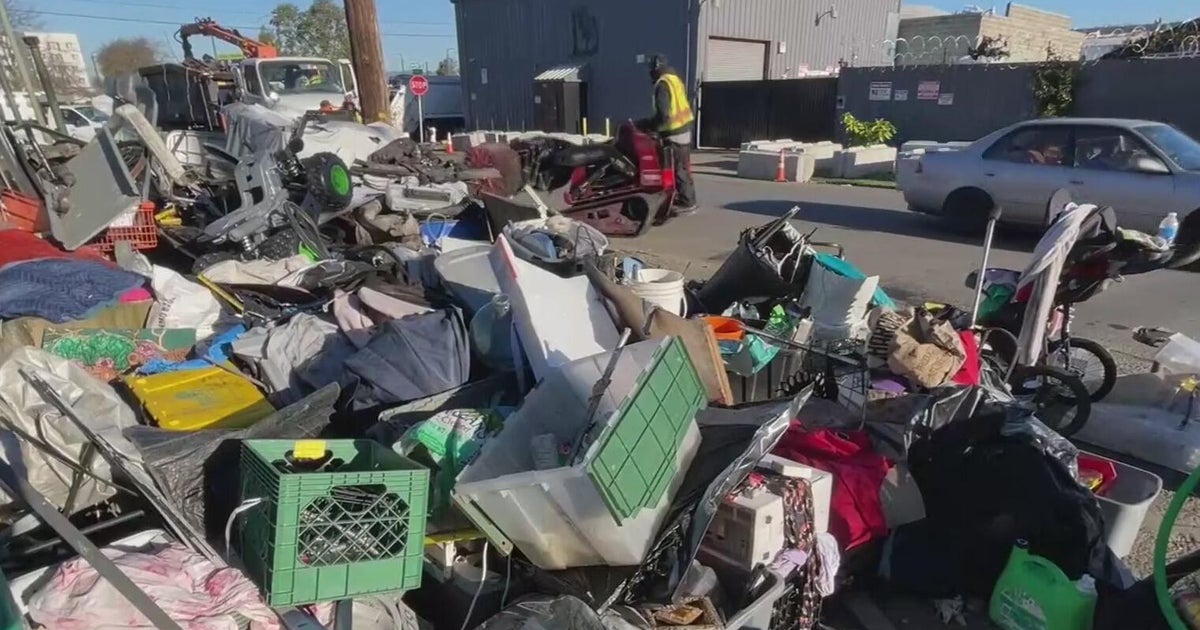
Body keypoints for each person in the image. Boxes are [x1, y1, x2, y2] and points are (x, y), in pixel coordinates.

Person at [644, 54, 698, 215]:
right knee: (683, 166)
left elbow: (664, 114)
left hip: (674, 132)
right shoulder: (674, 80)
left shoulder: (662, 84)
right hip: (684, 129)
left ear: (656, 68)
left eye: (651, 69)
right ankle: (684, 198)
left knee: (678, 169)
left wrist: (651, 127)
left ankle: (688, 202)